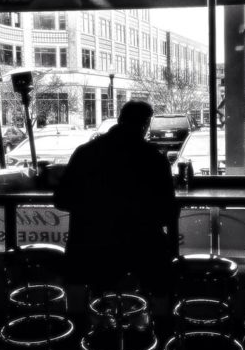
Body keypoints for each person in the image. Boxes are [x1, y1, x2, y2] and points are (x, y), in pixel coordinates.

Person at [54, 100, 179, 294]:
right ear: (146, 125)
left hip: (91, 248)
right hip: (140, 249)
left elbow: (61, 199)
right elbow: (168, 212)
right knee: (161, 278)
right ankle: (155, 319)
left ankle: (95, 318)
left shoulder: (85, 153)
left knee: (99, 293)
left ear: (119, 119)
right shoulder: (154, 159)